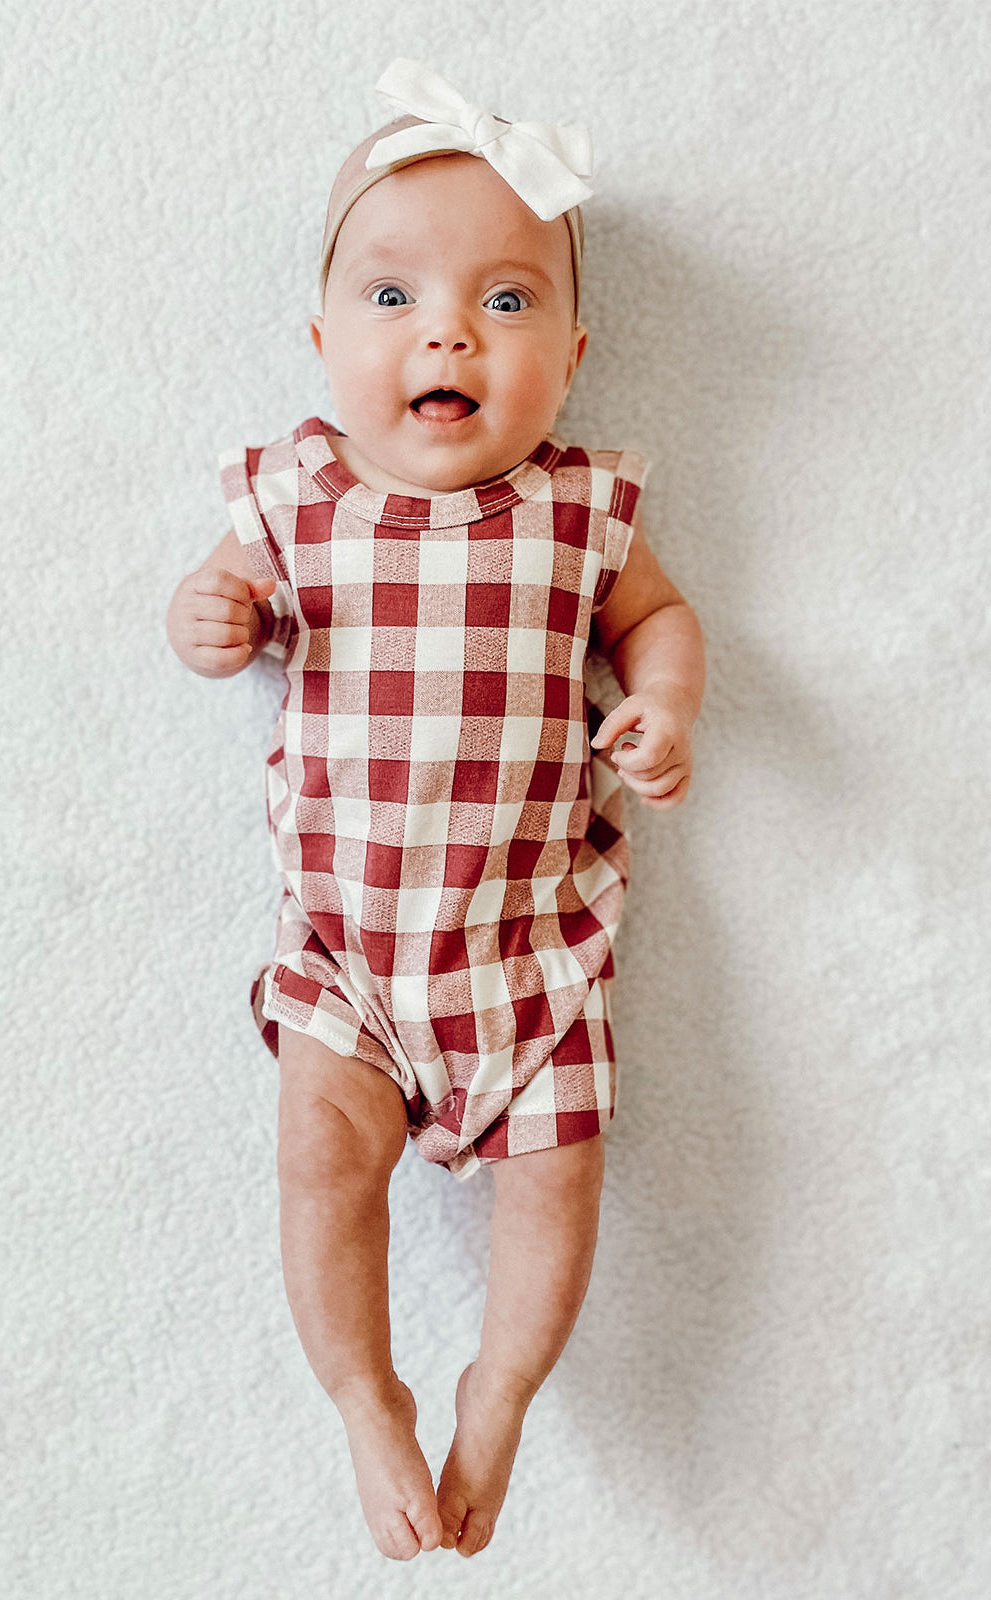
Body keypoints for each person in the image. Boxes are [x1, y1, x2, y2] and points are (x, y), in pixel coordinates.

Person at [166, 60, 705, 1562]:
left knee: (559, 1180)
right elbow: (220, 596)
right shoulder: (299, 494)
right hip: (346, 956)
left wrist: (663, 703)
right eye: (392, 299)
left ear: (576, 352)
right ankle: (361, 1389)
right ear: (322, 340)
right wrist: (207, 611)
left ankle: (503, 1386)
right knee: (320, 1164)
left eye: (507, 303)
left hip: (531, 956)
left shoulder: (581, 509)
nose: (448, 331)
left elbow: (656, 625)